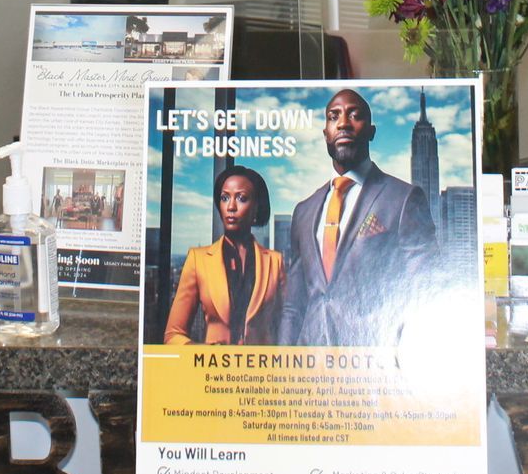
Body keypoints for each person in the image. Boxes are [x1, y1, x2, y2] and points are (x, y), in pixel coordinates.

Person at [277, 88, 437, 347]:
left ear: (371, 131)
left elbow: (426, 288)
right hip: (311, 361)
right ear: (326, 134)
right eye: (334, 116)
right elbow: (293, 306)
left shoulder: (404, 199)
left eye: (354, 115)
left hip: (373, 357)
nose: (343, 123)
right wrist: (282, 363)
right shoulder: (304, 211)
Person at [165, 165, 285, 345]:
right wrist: (206, 352)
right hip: (212, 363)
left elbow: (290, 326)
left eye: (241, 198)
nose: (231, 206)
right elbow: (173, 335)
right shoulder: (198, 260)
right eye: (224, 198)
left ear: (256, 208)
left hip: (259, 363)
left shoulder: (275, 262)